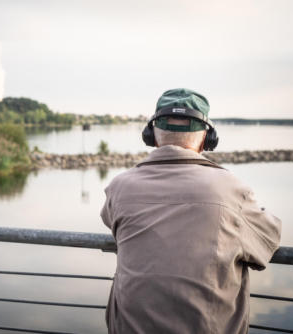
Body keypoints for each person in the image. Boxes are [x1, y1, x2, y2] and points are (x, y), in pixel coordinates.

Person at [101, 89, 281, 333]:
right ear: (208, 138)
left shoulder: (119, 187)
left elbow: (111, 222)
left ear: (151, 135)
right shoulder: (230, 189)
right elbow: (269, 239)